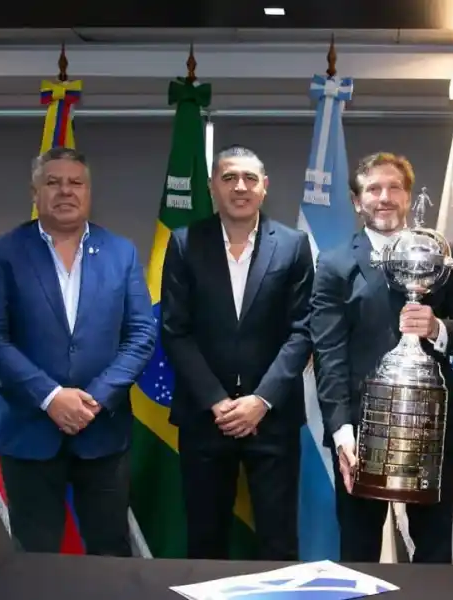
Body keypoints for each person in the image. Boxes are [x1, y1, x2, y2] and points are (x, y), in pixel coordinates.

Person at [0, 147, 156, 555]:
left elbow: (142, 333)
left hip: (101, 431)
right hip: (26, 428)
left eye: (75, 182)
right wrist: (51, 397)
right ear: (35, 192)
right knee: (35, 557)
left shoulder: (120, 252)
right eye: (53, 182)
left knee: (111, 552)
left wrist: (94, 399)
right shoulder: (3, 253)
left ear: (89, 191)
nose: (65, 191)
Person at [309, 152, 453, 563]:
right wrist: (340, 429)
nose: (384, 198)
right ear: (356, 200)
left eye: (394, 187)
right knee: (360, 548)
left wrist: (438, 328)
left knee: (434, 549)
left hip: (431, 425)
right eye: (373, 189)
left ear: (408, 195)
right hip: (362, 430)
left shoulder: (442, 252)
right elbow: (328, 351)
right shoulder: (334, 264)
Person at [160, 145, 314, 560]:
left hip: (273, 417)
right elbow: (175, 332)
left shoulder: (294, 245)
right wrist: (217, 402)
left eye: (249, 178)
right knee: (205, 540)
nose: (240, 187)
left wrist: (260, 401)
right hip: (204, 418)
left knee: (278, 540)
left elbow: (302, 332)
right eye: (228, 178)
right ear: (213, 187)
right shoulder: (184, 242)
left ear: (265, 187)